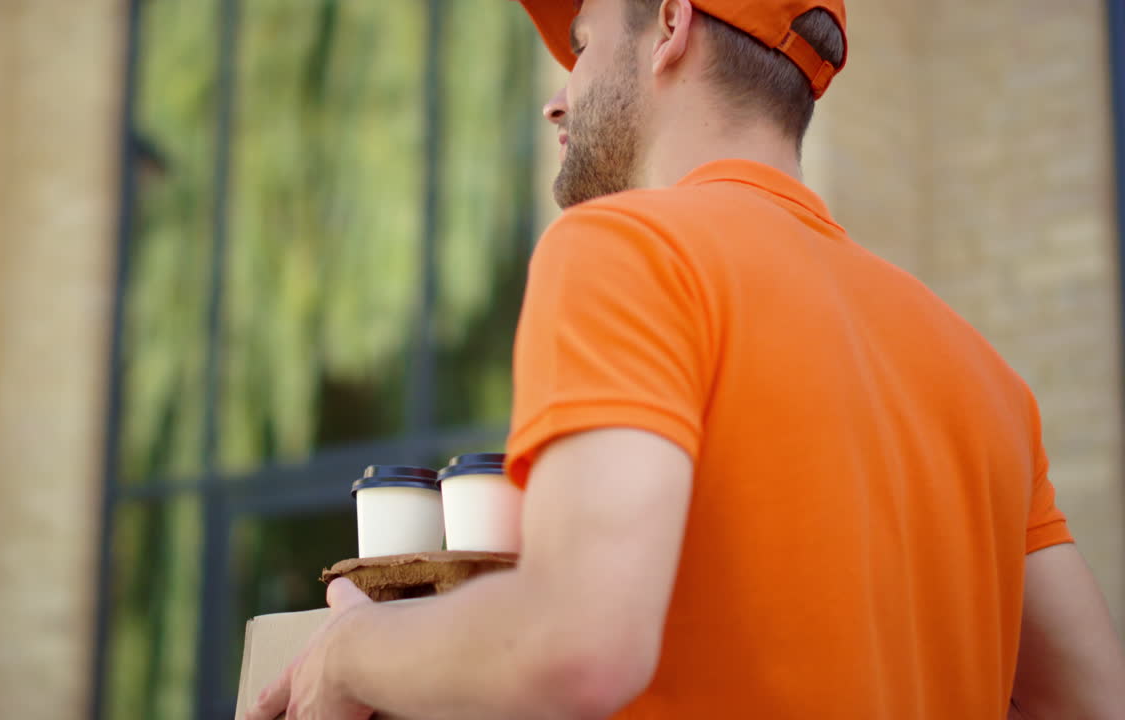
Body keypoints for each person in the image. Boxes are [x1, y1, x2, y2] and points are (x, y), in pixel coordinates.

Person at [247, 0, 1125, 717]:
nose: (560, 98)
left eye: (584, 45)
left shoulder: (624, 248)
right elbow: (1093, 700)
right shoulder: (979, 369)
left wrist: (356, 653)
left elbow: (578, 645)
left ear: (670, 24)